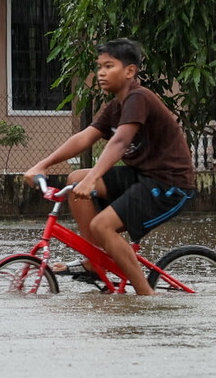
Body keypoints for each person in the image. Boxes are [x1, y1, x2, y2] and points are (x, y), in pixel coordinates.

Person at [22, 39, 195, 295]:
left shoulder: (139, 98)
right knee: (76, 179)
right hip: (142, 177)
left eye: (109, 66)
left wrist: (94, 178)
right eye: (99, 66)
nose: (101, 73)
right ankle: (95, 261)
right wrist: (42, 165)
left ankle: (147, 297)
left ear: (130, 71)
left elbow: (120, 141)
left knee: (102, 224)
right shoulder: (115, 106)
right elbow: (84, 137)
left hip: (169, 184)